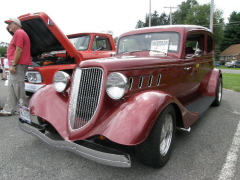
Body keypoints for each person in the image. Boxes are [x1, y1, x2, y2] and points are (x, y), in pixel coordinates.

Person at [0, 18, 32, 116]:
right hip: (17, 63)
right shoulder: (18, 33)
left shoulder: (19, 33)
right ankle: (8, 109)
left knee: (17, 86)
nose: (8, 26)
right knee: (12, 86)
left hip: (18, 63)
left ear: (16, 24)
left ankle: (24, 109)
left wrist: (13, 64)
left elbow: (18, 50)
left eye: (10, 24)